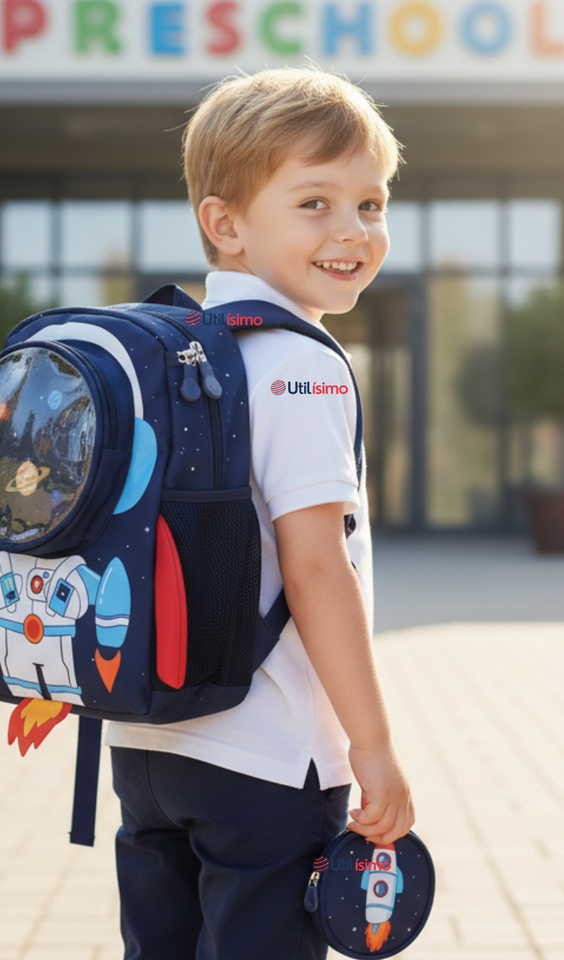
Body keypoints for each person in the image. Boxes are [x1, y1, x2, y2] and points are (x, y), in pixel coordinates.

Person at [104, 67, 415, 960]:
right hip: (269, 755)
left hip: (149, 741)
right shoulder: (300, 366)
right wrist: (375, 746)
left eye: (371, 203)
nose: (353, 231)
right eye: (314, 202)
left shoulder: (175, 356)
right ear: (226, 223)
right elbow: (318, 568)